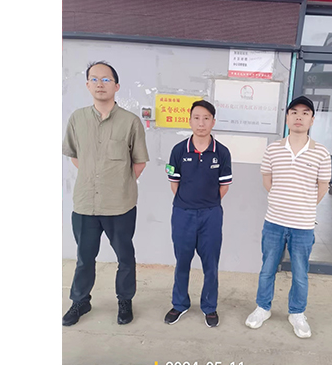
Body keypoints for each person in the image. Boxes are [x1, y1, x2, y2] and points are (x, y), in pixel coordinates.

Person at [62, 61, 149, 326]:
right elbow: (75, 155)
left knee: (125, 258)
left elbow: (139, 162)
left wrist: (118, 183)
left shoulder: (130, 122)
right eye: (94, 79)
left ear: (117, 86)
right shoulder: (77, 119)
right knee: (84, 258)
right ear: (88, 85)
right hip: (85, 204)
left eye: (106, 79)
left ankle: (124, 300)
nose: (100, 84)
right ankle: (80, 301)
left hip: (120, 204)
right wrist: (94, 175)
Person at [245, 96, 331, 338]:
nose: (299, 117)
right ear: (287, 118)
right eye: (294, 112)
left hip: (303, 226)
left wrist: (304, 206)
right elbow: (267, 179)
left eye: (305, 113)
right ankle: (263, 308)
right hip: (274, 222)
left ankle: (297, 313)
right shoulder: (273, 149)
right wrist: (282, 201)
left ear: (312, 120)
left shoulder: (321, 152)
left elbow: (323, 186)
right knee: (267, 269)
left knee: (300, 273)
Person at [164, 100, 232, 328]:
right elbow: (174, 183)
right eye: (196, 118)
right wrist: (188, 203)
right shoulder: (178, 150)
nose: (201, 123)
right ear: (190, 121)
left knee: (210, 264)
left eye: (206, 118)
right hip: (182, 214)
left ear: (213, 122)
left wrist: (206, 204)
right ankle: (179, 303)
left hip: (211, 215)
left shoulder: (221, 152)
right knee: (182, 261)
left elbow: (224, 186)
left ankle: (209, 307)